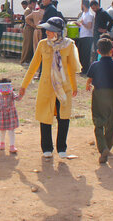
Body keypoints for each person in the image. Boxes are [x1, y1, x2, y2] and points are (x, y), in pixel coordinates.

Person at [19, 17, 80, 158]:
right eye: (46, 29)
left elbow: (71, 68)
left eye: (50, 30)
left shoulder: (69, 45)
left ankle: (62, 148)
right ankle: (47, 148)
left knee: (63, 117)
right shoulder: (42, 45)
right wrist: (24, 86)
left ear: (58, 32)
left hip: (64, 88)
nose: (47, 32)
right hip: (46, 87)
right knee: (45, 116)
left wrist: (74, 85)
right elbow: (33, 67)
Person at [86, 38, 113, 164]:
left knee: (98, 121)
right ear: (112, 51)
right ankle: (107, 147)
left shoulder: (95, 65)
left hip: (98, 93)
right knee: (112, 121)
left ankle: (102, 147)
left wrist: (88, 85)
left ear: (98, 51)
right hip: (112, 94)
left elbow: (89, 80)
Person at [0, 79, 21, 154]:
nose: (4, 92)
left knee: (11, 130)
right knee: (2, 130)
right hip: (1, 115)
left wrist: (21, 94)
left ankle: (12, 146)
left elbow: (18, 98)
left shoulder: (12, 94)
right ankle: (2, 143)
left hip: (10, 114)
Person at [76, 0, 95, 74]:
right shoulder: (84, 14)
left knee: (86, 54)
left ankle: (86, 69)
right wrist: (79, 24)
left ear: (83, 5)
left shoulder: (89, 15)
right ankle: (82, 68)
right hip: (83, 36)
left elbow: (89, 26)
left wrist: (83, 23)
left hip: (88, 36)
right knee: (81, 53)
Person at [20, 0, 37, 65]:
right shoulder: (27, 11)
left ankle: (28, 59)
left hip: (31, 29)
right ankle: (23, 60)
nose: (35, 5)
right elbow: (27, 20)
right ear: (32, 3)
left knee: (30, 45)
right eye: (34, 3)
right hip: (28, 29)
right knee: (27, 45)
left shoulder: (31, 10)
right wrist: (34, 25)